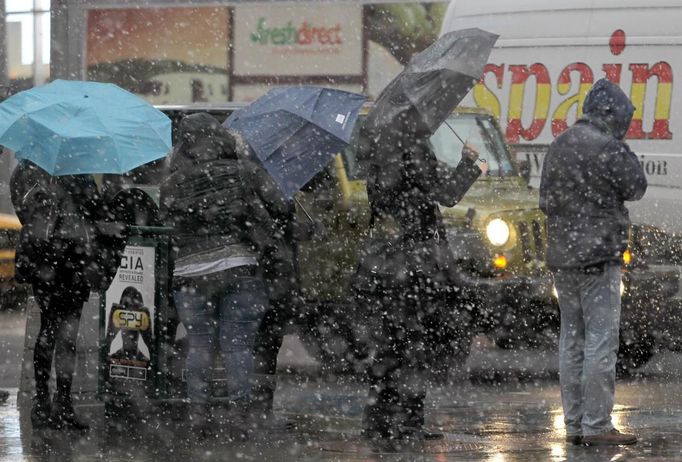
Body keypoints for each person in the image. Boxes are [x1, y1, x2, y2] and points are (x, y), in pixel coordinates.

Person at [354, 123, 484, 440]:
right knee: (412, 344)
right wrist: (469, 163)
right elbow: (446, 193)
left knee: (390, 345)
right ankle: (409, 421)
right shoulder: (411, 149)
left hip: (385, 264)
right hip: (411, 266)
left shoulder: (378, 157)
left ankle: (379, 421)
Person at [540, 78, 647, 446]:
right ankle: (597, 425)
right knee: (601, 340)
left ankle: (574, 424)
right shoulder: (610, 148)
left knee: (572, 339)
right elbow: (636, 187)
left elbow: (545, 201)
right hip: (598, 258)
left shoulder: (559, 144)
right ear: (613, 115)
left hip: (563, 259)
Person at [161, 113, 279, 440]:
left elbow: (168, 224)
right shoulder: (244, 171)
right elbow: (272, 210)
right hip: (238, 266)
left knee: (199, 345)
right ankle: (239, 416)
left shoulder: (172, 182)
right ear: (220, 138)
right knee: (237, 345)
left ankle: (198, 414)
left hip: (190, 273)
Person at [11, 160, 102, 431]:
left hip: (43, 259)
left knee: (49, 327)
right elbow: (95, 210)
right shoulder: (79, 170)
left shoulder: (25, 170)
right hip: (72, 261)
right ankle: (61, 404)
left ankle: (43, 403)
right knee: (65, 333)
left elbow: (22, 211)